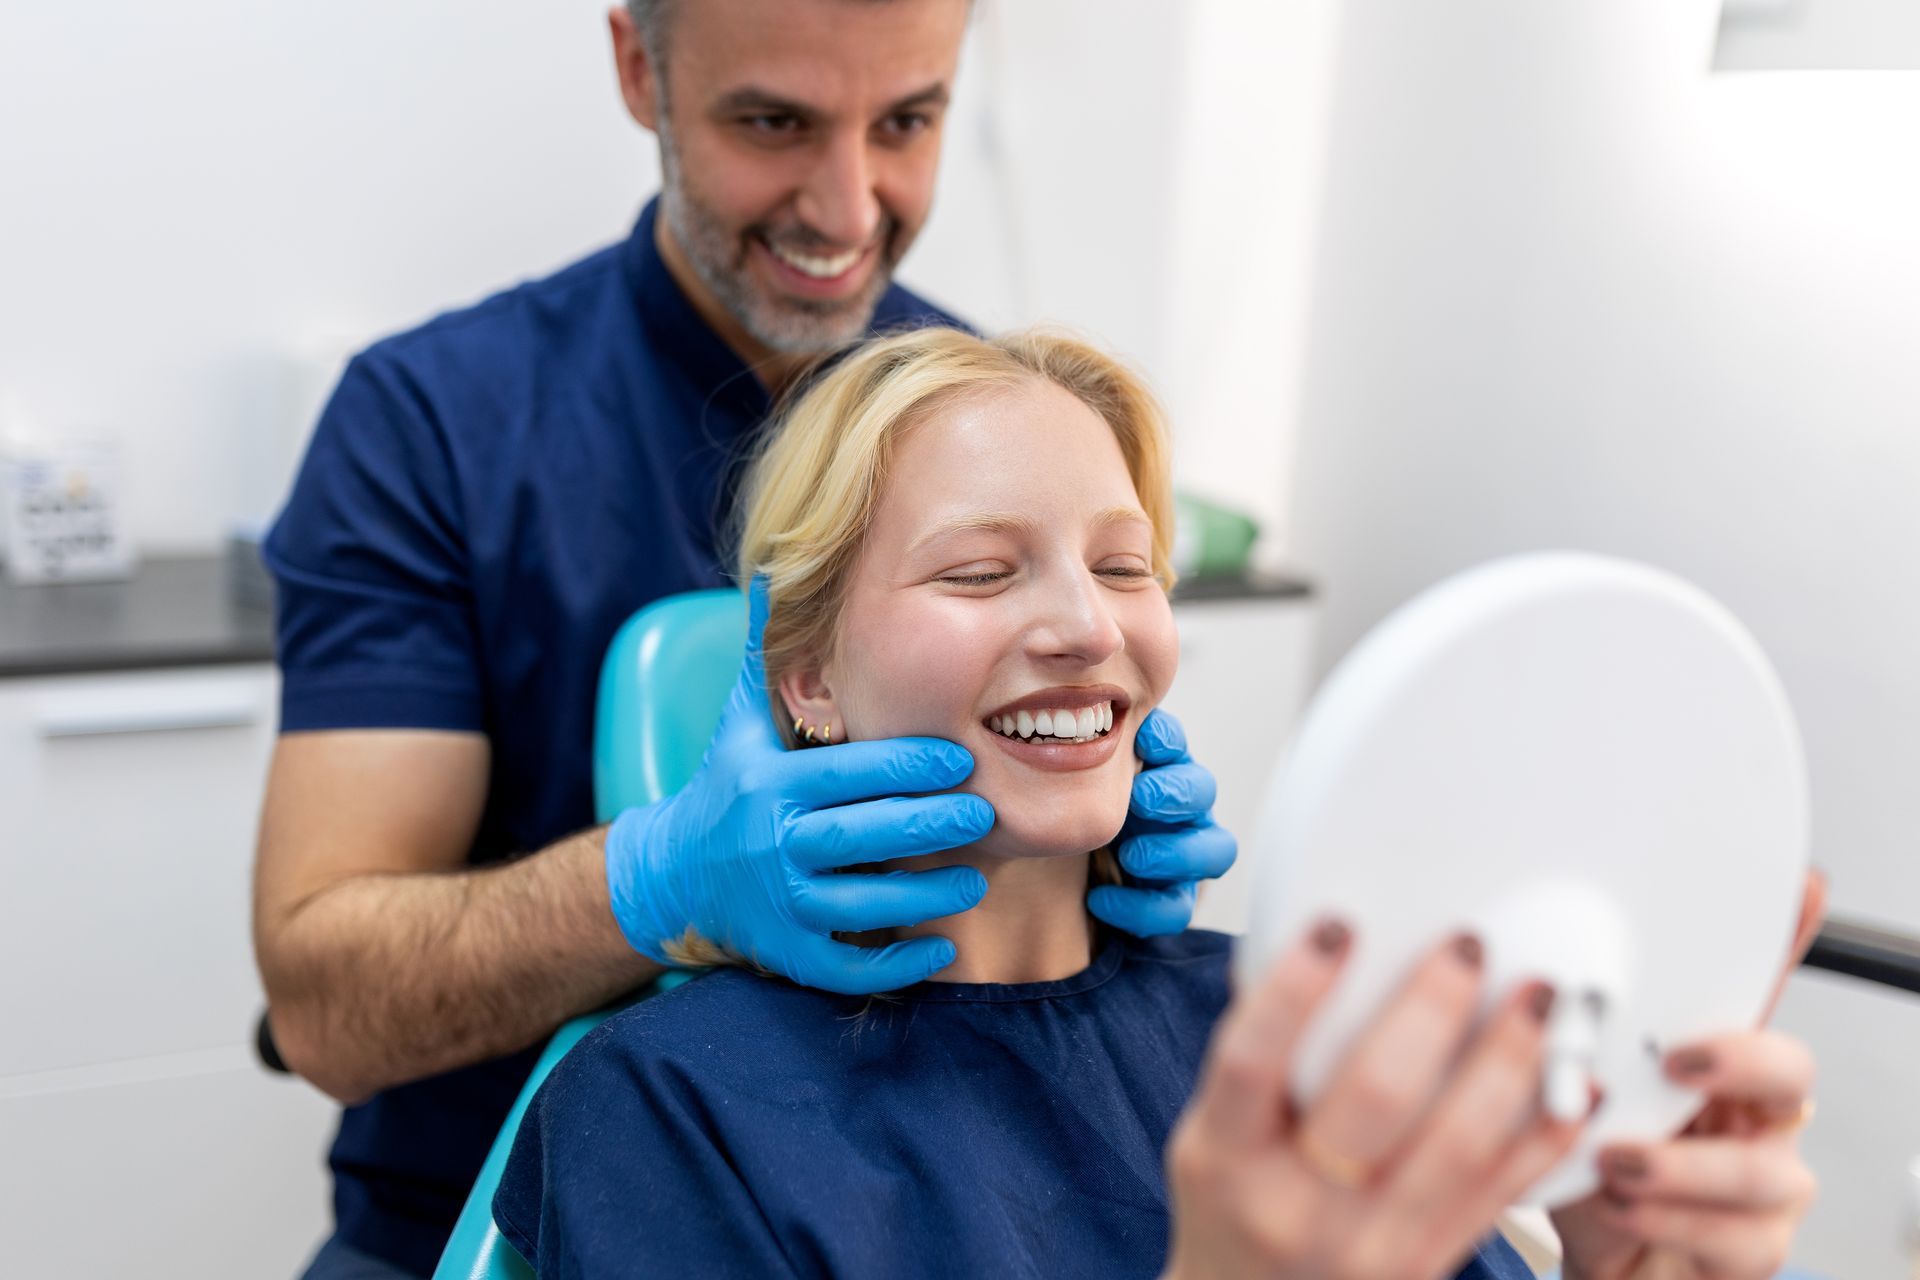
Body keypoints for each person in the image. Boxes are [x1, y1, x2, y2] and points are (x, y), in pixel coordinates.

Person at [493, 327, 1826, 1280]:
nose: (1085, 625)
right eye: (977, 573)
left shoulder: (1300, 1029)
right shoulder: (670, 1114)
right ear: (806, 681)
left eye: (1125, 565)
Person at [252, 4, 1233, 1278]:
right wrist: (659, 880)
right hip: (511, 1203)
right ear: (637, 67)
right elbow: (326, 1007)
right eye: (775, 123)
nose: (846, 208)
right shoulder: (433, 426)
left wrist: (1082, 867)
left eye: (908, 123)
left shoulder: (979, 396)